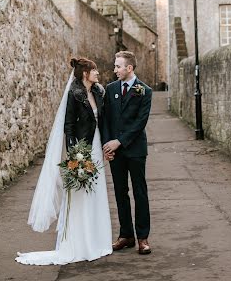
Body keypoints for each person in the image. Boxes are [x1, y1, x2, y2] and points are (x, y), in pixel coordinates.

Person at [15, 57, 112, 266]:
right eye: (94, 70)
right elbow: (68, 126)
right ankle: (79, 243)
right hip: (82, 148)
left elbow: (103, 120)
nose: (97, 73)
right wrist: (75, 155)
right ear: (84, 74)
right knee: (80, 194)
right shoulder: (74, 94)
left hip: (96, 145)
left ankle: (97, 240)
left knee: (96, 190)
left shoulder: (98, 92)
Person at [102, 50, 153, 255]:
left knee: (139, 192)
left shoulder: (145, 90)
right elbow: (105, 119)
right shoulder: (111, 88)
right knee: (120, 192)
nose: (115, 70)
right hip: (115, 152)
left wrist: (119, 142)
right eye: (115, 66)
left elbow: (140, 122)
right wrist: (107, 146)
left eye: (118, 66)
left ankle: (143, 237)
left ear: (129, 68)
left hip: (135, 150)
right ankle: (126, 235)